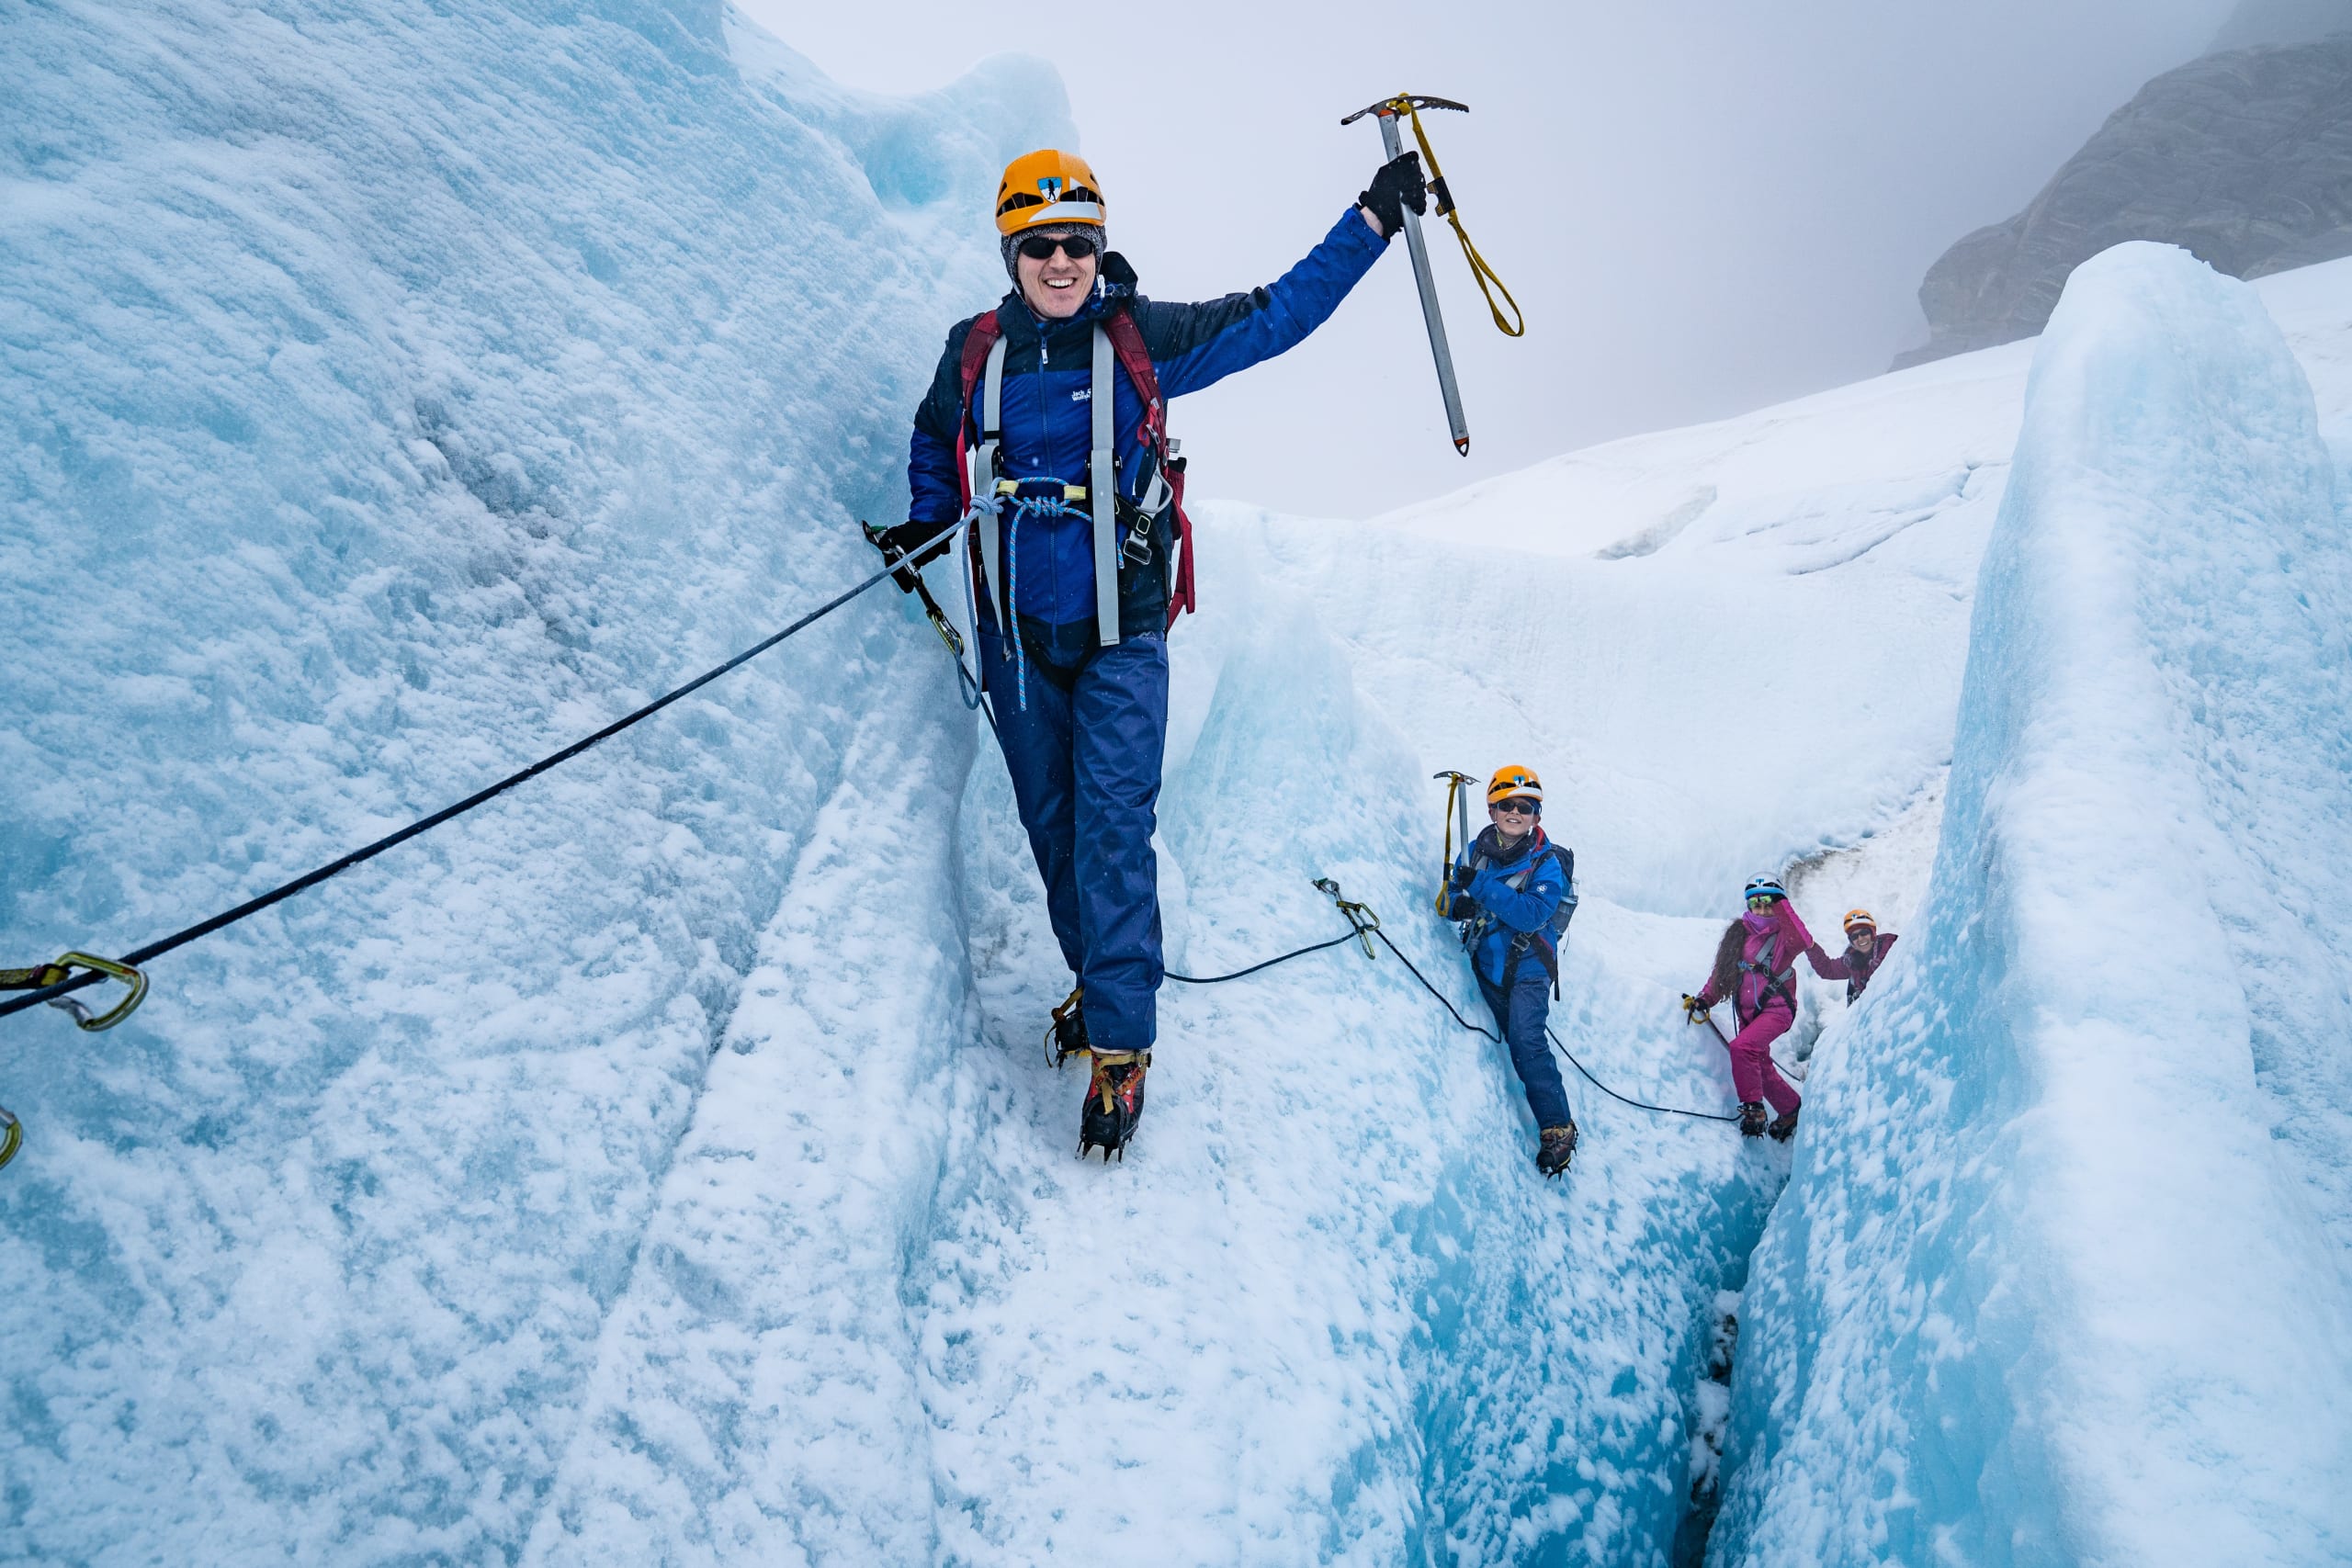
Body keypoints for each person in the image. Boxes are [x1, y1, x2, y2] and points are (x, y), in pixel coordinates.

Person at [872, 146, 1430, 1160]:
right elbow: (933, 440)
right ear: (1010, 250)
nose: (1060, 261)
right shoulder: (973, 352)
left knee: (1112, 831)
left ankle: (1122, 1050)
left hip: (1121, 636)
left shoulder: (1141, 339)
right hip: (1014, 640)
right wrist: (926, 519)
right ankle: (1101, 981)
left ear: (1099, 245)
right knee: (1053, 832)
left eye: (1077, 242)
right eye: (1038, 244)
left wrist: (1370, 224)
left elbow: (1272, 317)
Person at [1442, 765, 1580, 1178]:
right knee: (1503, 1037)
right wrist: (1458, 904)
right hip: (1486, 962)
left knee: (1526, 1039)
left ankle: (1558, 1126)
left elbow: (1530, 914)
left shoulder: (1546, 863)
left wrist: (1479, 889)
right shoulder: (1476, 851)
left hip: (1530, 968)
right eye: (1507, 804)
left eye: (1525, 806)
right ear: (1491, 809)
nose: (1516, 812)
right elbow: (1448, 900)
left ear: (1537, 815)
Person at [1681, 874, 1826, 1141]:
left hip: (1777, 1009)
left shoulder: (1786, 937)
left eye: (1768, 904)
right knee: (1758, 1062)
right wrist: (1705, 998)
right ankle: (1791, 1109)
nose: (1762, 910)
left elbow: (1804, 939)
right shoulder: (1738, 934)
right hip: (1748, 1012)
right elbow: (1721, 975)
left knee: (1742, 1047)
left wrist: (1781, 902)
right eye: (1756, 904)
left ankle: (1754, 1109)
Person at [1811, 908, 1897, 1003]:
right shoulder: (1851, 960)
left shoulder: (1890, 946)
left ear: (1872, 933)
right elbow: (1827, 969)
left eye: (1864, 933)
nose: (1860, 939)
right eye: (1854, 936)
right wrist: (1811, 947)